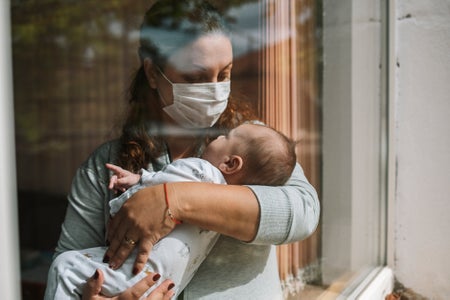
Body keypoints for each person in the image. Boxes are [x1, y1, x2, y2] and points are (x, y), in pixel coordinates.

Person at [50, 1, 320, 299]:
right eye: (194, 77)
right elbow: (69, 268)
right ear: (153, 73)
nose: (214, 89)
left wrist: (172, 199)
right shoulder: (103, 168)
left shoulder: (251, 142)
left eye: (224, 74)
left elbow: (302, 211)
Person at [44, 123, 297, 299]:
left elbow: (149, 195)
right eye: (194, 75)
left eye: (224, 137)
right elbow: (163, 180)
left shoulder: (203, 169)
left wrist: (125, 203)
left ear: (230, 163)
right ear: (153, 73)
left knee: (63, 268)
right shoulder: (218, 217)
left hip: (131, 273)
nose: (215, 138)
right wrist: (142, 180)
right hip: (159, 287)